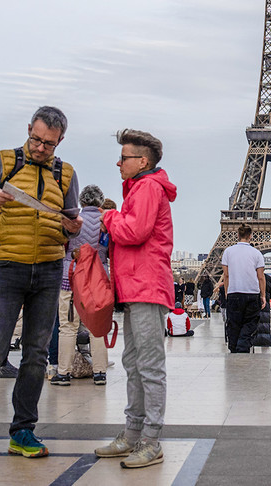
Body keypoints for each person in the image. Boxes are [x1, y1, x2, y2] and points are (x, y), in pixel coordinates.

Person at [0, 106, 82, 470]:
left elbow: (72, 224)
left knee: (36, 355)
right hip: (7, 267)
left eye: (48, 144)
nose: (40, 148)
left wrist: (73, 228)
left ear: (60, 141)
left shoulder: (66, 173)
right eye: (35, 139)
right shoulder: (2, 162)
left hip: (49, 269)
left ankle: (23, 430)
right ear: (28, 129)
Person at [94, 128, 176, 470]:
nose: (118, 163)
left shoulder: (147, 188)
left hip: (146, 286)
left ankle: (151, 440)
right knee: (134, 363)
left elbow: (134, 231)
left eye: (123, 157)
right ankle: (133, 433)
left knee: (148, 366)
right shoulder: (141, 188)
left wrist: (109, 216)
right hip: (136, 287)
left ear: (142, 161)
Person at [51, 184, 109, 386]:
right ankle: (100, 372)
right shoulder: (106, 222)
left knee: (67, 327)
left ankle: (63, 372)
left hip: (72, 277)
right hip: (98, 279)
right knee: (97, 328)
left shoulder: (74, 221)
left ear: (81, 201)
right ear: (101, 201)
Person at [214, 224, 265, 354]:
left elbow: (226, 275)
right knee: (250, 323)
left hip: (234, 293)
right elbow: (261, 277)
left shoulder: (228, 251)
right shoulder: (256, 253)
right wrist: (263, 296)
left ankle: (234, 348)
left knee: (233, 324)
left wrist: (227, 293)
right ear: (250, 236)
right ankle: (243, 346)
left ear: (237, 235)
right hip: (252, 294)